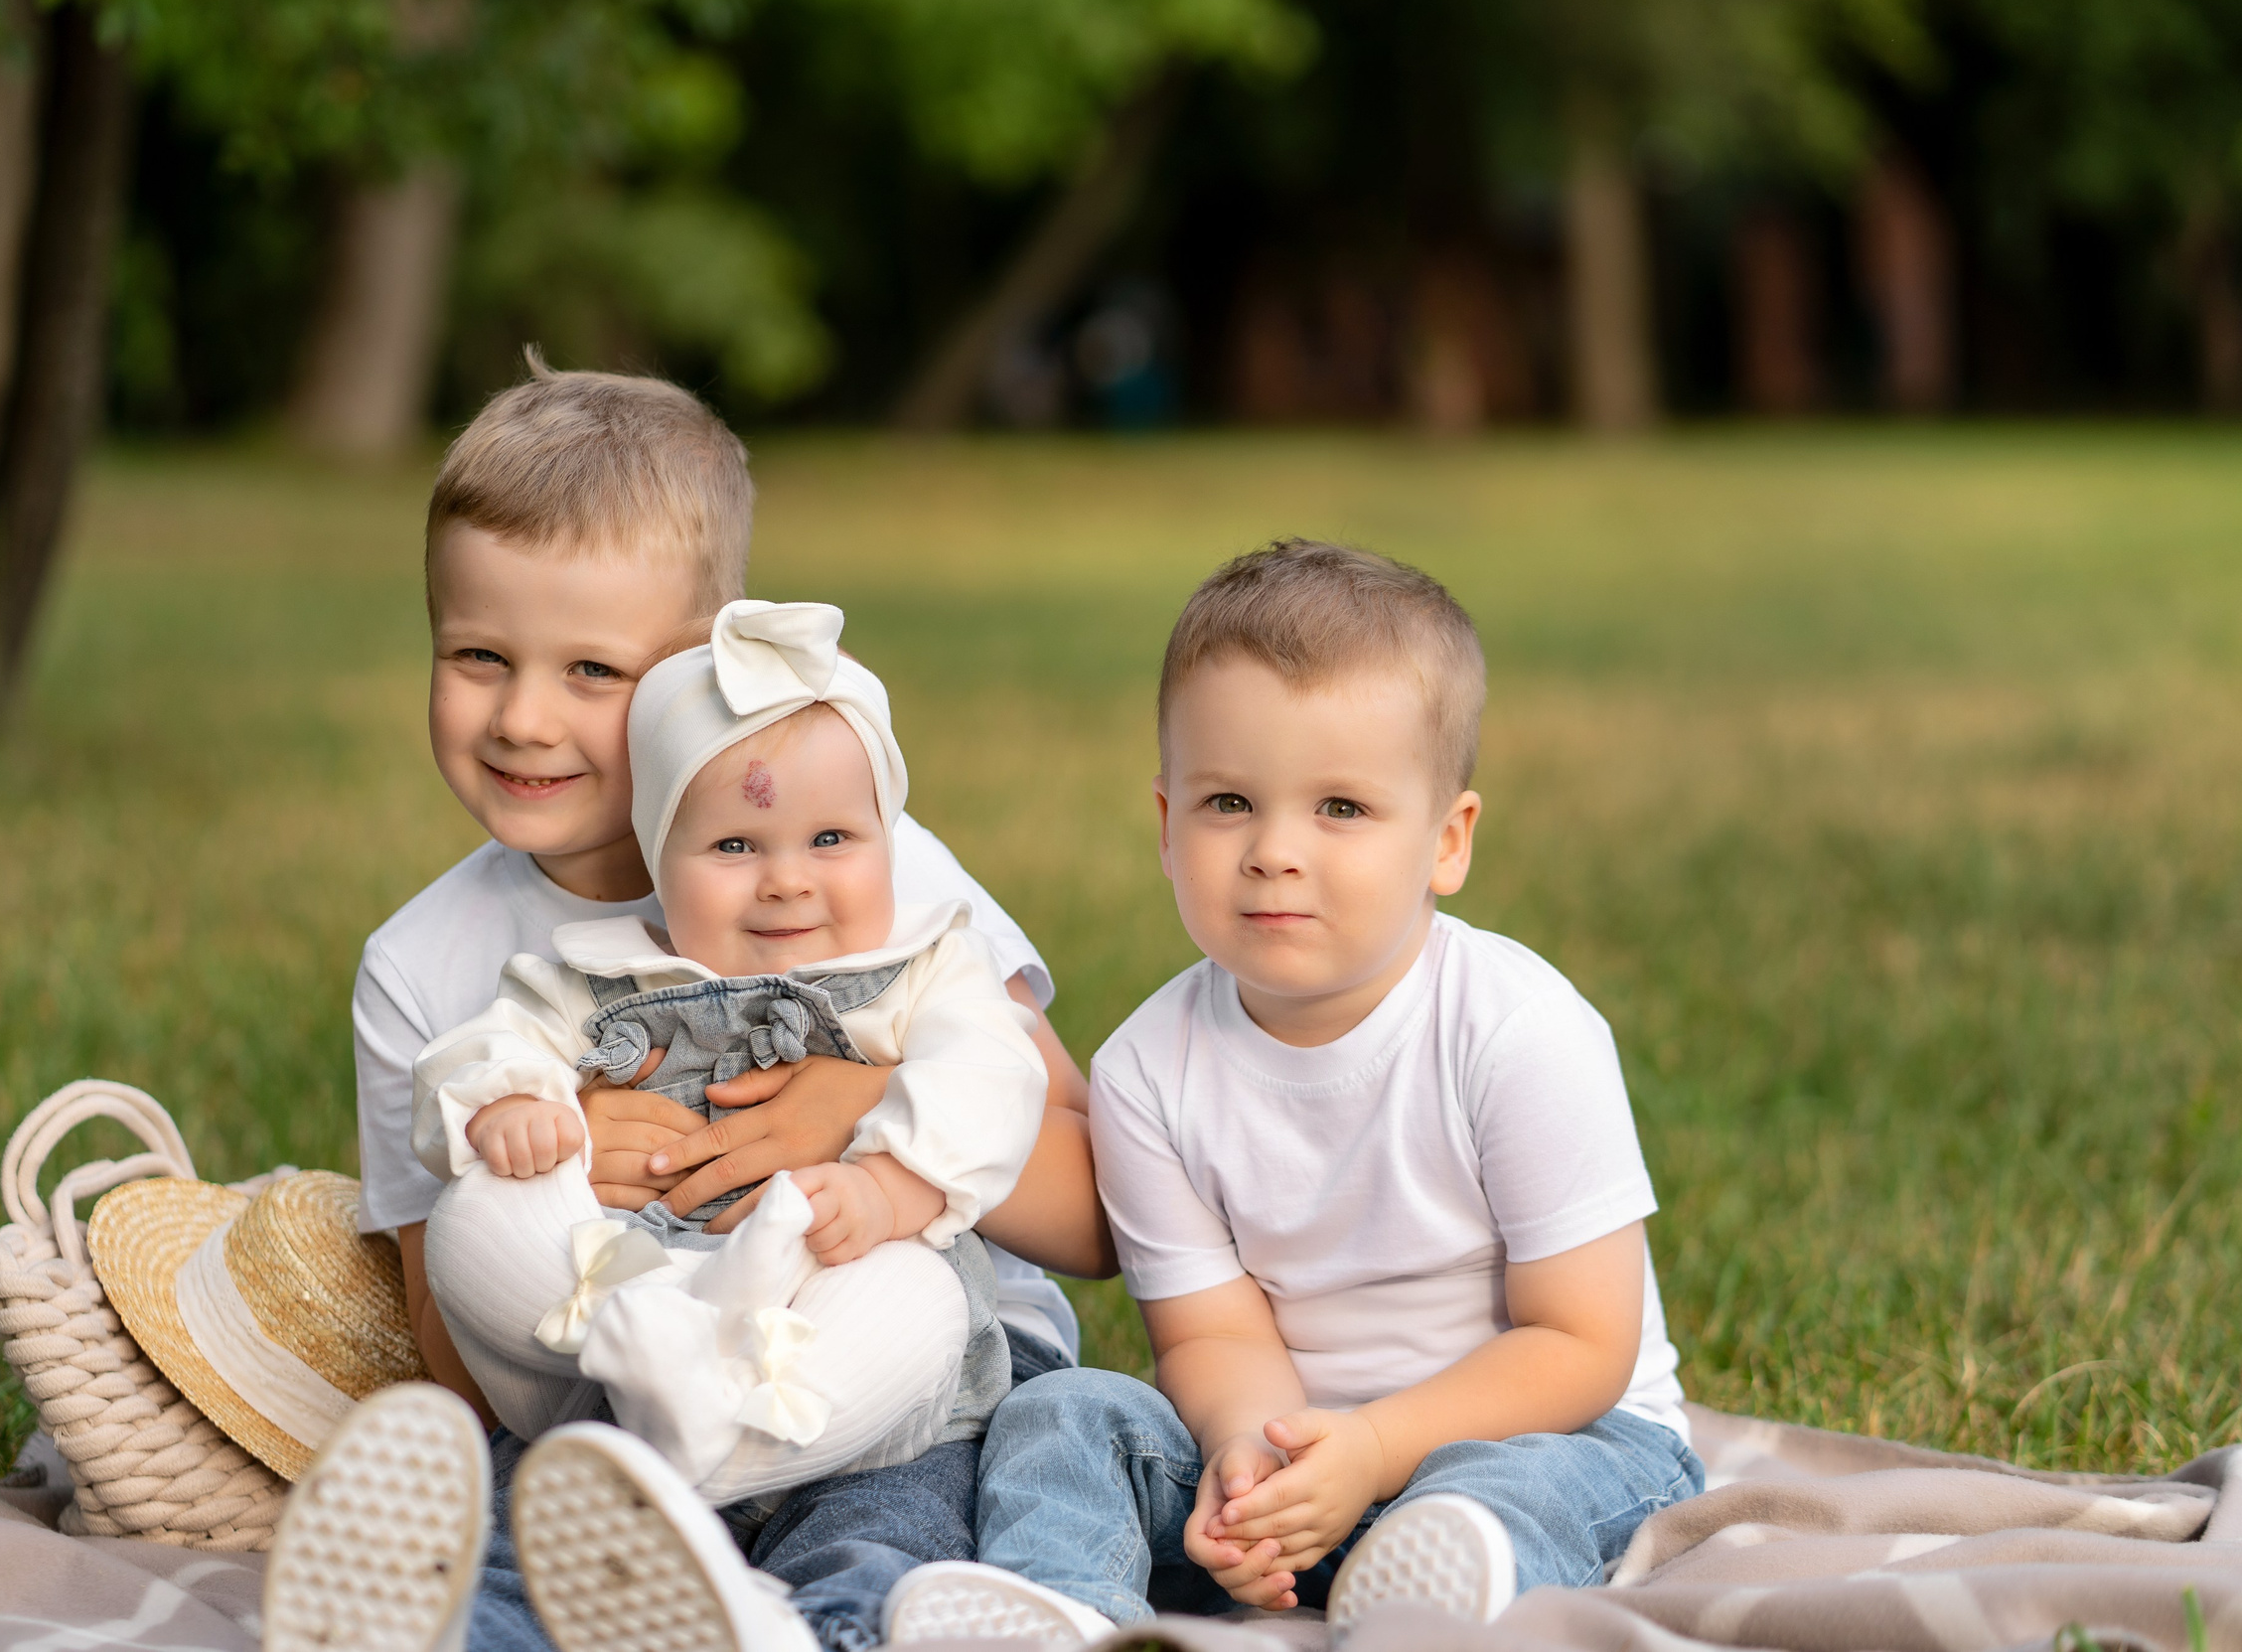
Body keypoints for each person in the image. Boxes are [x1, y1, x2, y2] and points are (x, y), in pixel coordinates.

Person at [339, 361, 1113, 1652]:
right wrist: (555, 1149)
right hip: (611, 1405)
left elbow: (1097, 1208)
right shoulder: (422, 963)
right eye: (477, 654)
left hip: (901, 1381)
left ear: (714, 660)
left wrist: (864, 1109)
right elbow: (454, 1340)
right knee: (528, 1526)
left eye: (592, 667)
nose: (524, 715)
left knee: (881, 1537)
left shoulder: (855, 854)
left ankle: (809, 1619)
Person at [878, 540, 1701, 1649]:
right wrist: (1248, 1462)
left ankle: (1438, 1601)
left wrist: (1377, 1451)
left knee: (1509, 1493)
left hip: (1550, 1431)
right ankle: (1067, 1614)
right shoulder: (1143, 1070)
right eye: (1228, 802)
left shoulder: (1514, 1029)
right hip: (1305, 1466)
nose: (1273, 852)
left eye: (1341, 810)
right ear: (1166, 826)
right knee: (1062, 1413)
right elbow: (1214, 1334)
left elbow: (1580, 1341)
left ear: (1445, 842)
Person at [409, 599, 1046, 1509]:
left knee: (922, 1301)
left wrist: (890, 1187)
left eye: (832, 839)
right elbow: (491, 1044)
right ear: (657, 859)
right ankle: (668, 1393)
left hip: (824, 1321)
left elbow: (993, 1075)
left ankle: (690, 1457)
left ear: (889, 841)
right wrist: (513, 1104)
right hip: (632, 1294)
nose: (787, 877)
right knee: (470, 1216)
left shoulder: (927, 967)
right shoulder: (604, 976)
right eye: (734, 845)